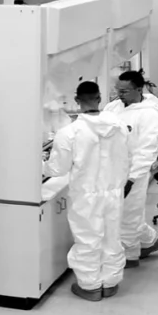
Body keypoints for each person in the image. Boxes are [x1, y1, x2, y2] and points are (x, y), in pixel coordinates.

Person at [43, 81, 130, 301]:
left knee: (88, 238)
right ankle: (110, 283)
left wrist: (39, 163)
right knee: (111, 236)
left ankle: (90, 286)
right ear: (99, 98)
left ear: (76, 100)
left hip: (86, 195)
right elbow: (127, 157)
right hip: (113, 191)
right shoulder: (119, 126)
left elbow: (57, 169)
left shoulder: (69, 132)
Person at [105, 70, 158, 267]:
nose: (119, 94)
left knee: (129, 214)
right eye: (117, 90)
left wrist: (132, 179)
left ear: (139, 89)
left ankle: (130, 257)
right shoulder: (112, 107)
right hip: (112, 169)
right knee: (116, 213)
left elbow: (147, 150)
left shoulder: (149, 115)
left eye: (124, 91)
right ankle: (150, 241)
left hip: (134, 172)